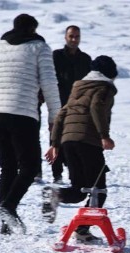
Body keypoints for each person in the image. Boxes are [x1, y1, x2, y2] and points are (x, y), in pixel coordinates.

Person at [0, 13, 61, 234]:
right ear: (32, 29)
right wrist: (54, 119)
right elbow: (49, 84)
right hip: (23, 113)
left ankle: (5, 225)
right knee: (29, 167)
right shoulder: (39, 47)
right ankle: (8, 207)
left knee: (7, 168)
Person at [42, 56, 118, 242]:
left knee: (80, 189)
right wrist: (103, 135)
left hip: (69, 141)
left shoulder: (79, 88)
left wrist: (55, 144)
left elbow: (61, 114)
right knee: (99, 189)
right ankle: (82, 230)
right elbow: (96, 107)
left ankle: (56, 194)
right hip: (88, 141)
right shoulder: (104, 88)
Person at [50, 25, 92, 184]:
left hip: (78, 106)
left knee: (75, 139)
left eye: (77, 36)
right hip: (58, 103)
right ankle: (56, 173)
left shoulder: (85, 59)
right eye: (71, 36)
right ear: (65, 37)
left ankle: (75, 172)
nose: (74, 40)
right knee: (55, 138)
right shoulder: (56, 56)